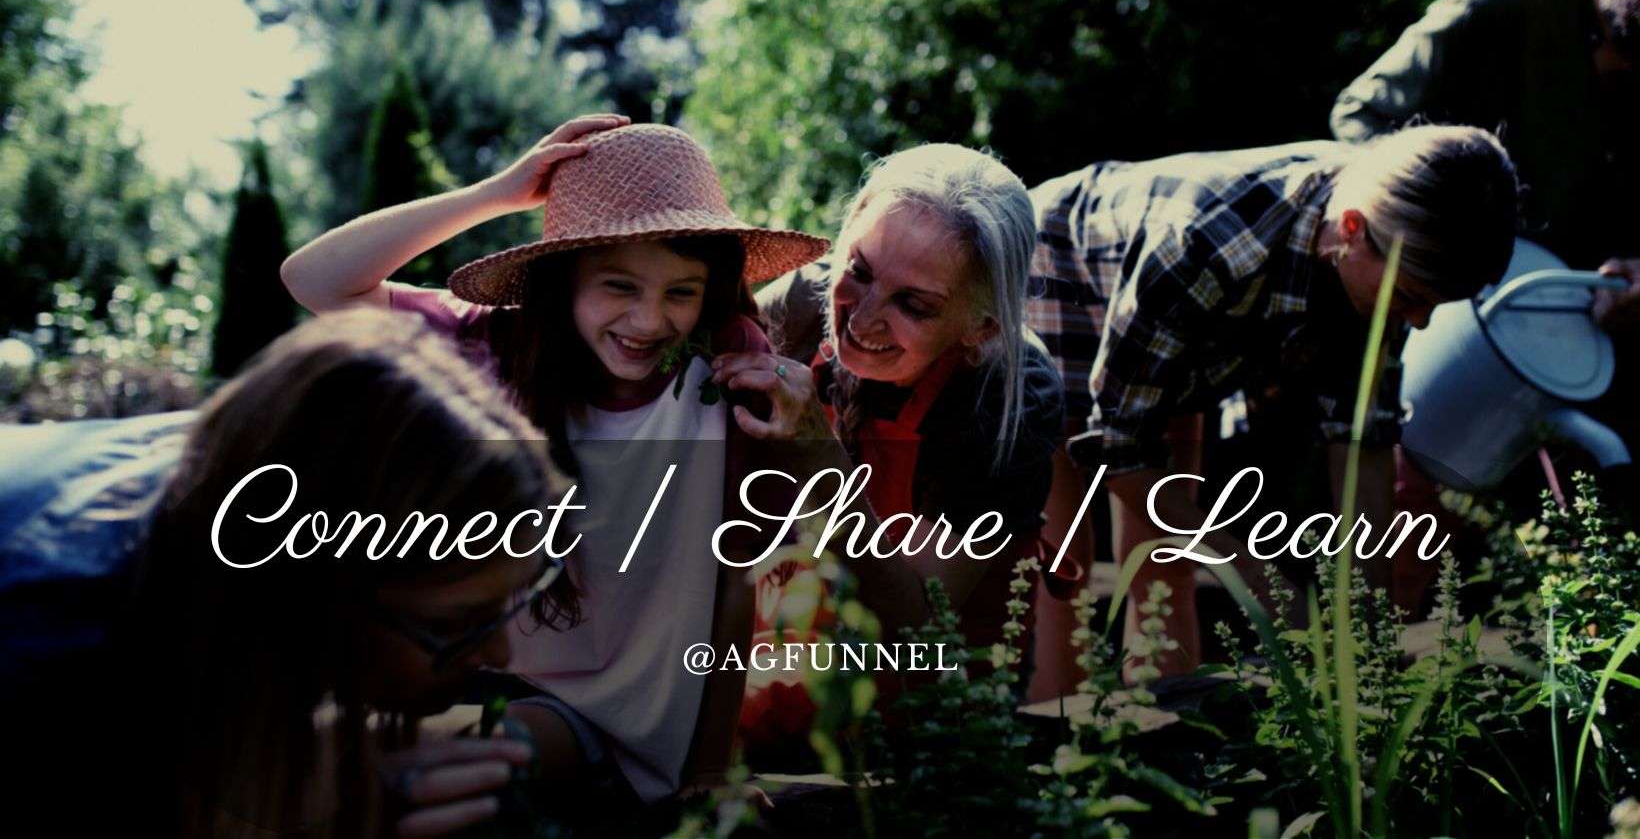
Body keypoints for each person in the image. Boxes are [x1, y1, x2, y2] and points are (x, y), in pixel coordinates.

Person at [280, 118, 830, 804]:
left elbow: (732, 578)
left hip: (604, 720)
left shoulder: (725, 372)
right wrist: (500, 193)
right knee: (303, 746)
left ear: (710, 292)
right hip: (477, 668)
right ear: (562, 280)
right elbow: (315, 280)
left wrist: (710, 772)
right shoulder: (501, 346)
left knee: (401, 775)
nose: (648, 320)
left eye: (680, 291)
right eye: (619, 286)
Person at [0, 309, 575, 837]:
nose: (501, 655)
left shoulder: (253, 477)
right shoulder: (60, 667)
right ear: (321, 597)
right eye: (458, 623)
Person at [1022, 125, 1520, 685]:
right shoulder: (1211, 243)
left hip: (1187, 339)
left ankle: (1158, 732)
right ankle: (1058, 733)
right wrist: (1276, 594)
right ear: (1352, 229)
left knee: (1167, 565)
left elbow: (1363, 446)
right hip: (1064, 263)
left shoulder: (1386, 245)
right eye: (1410, 299)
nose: (1421, 321)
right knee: (1067, 560)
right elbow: (1119, 455)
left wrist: (1368, 634)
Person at [733, 143, 1067, 662]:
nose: (860, 320)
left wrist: (817, 455)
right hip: (790, 662)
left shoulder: (1008, 398)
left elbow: (919, 625)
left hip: (948, 694)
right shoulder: (803, 304)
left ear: (982, 327)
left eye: (913, 304)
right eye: (859, 271)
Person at [1331, 0, 1640, 330]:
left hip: (1592, 338)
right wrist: (1432, 232)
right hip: (1445, 323)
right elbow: (1361, 116)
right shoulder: (1503, 1)